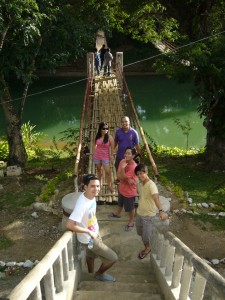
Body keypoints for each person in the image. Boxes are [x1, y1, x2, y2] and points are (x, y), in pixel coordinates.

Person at [66, 174, 118, 282]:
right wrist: (88, 231)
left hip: (92, 235)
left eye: (98, 186)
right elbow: (70, 225)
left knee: (90, 255)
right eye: (93, 186)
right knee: (113, 258)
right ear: (85, 187)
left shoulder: (89, 196)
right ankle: (99, 274)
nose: (96, 189)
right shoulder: (82, 204)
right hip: (90, 238)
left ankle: (90, 273)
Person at [134, 164, 168, 259]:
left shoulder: (151, 185)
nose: (140, 176)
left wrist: (161, 211)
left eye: (141, 173)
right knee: (140, 232)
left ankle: (148, 248)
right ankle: (147, 240)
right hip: (139, 213)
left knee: (145, 237)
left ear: (146, 172)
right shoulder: (140, 184)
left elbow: (156, 198)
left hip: (148, 216)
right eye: (138, 174)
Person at [109, 147, 138, 231]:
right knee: (120, 202)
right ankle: (117, 213)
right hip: (122, 188)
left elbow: (124, 177)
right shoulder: (122, 161)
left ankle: (131, 221)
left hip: (129, 192)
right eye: (126, 153)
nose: (126, 155)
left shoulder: (134, 167)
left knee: (130, 208)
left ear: (133, 155)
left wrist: (122, 169)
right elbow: (119, 176)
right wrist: (125, 177)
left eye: (129, 153)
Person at [93, 122, 115, 193]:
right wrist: (95, 151)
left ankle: (109, 185)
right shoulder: (97, 136)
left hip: (105, 157)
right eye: (104, 128)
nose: (106, 130)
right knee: (99, 171)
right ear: (100, 129)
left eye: (107, 128)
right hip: (97, 156)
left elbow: (112, 147)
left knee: (108, 172)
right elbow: (95, 144)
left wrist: (111, 155)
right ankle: (99, 185)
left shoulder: (109, 137)